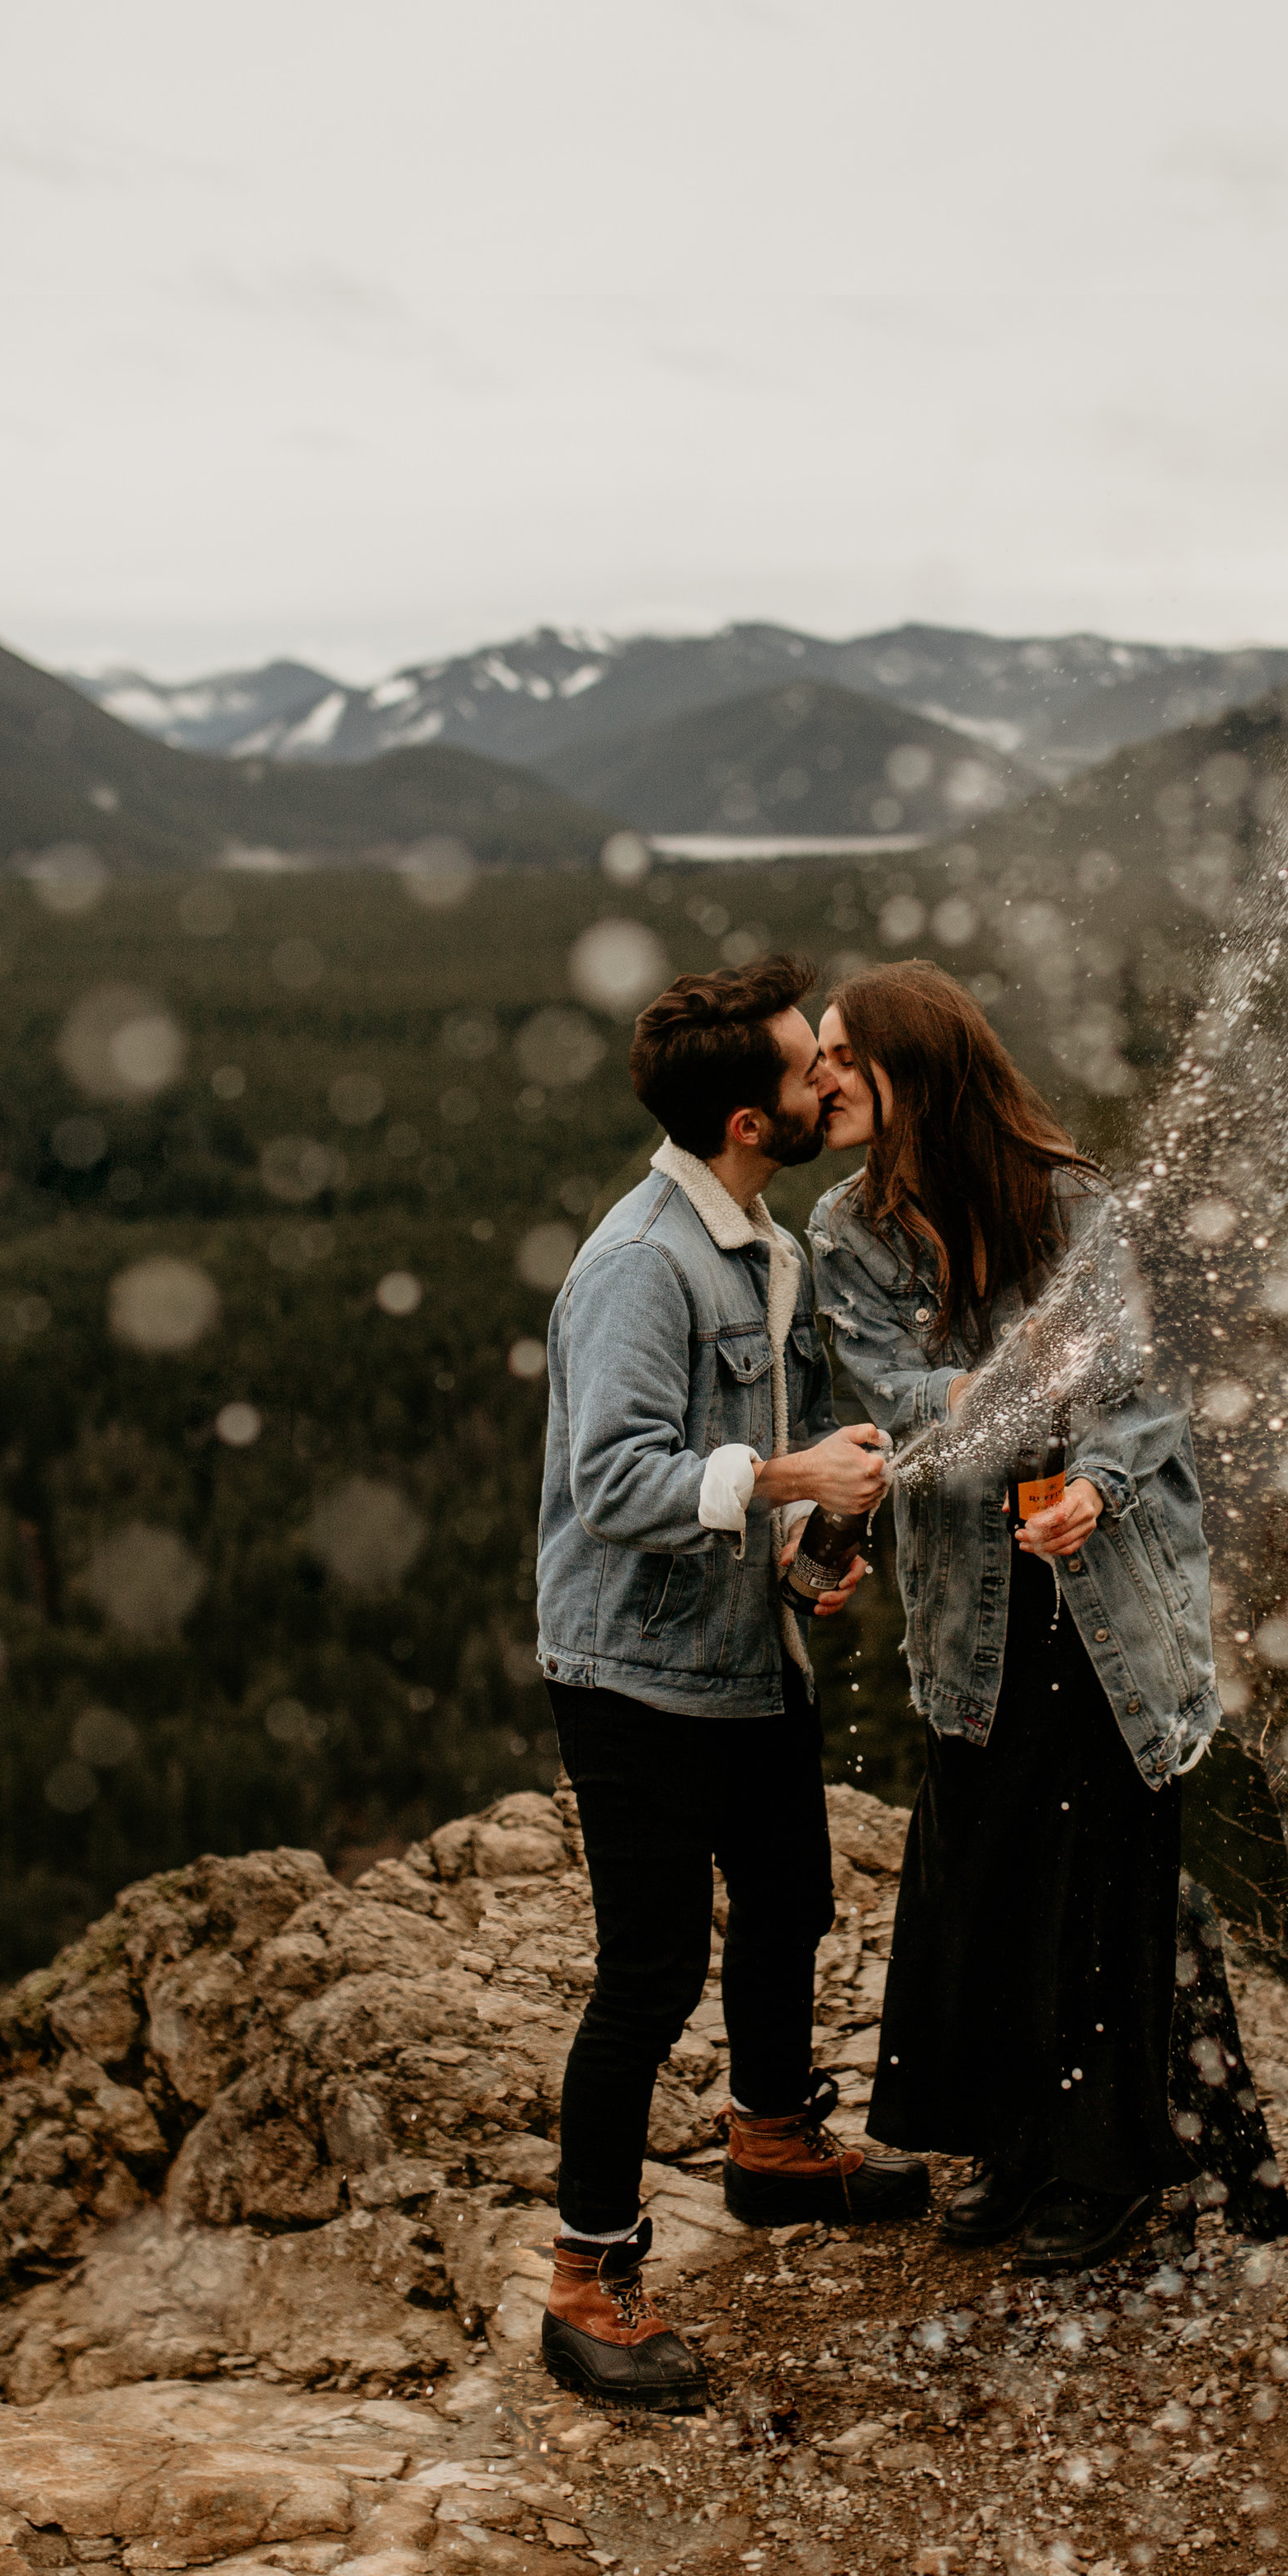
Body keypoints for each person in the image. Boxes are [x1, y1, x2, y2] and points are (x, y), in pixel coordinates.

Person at [807, 960, 1288, 2276]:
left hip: (1105, 1582)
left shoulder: (1072, 1203)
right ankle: (1009, 2141)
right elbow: (896, 1401)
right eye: (821, 1058)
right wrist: (1005, 1402)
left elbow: (1137, 1392)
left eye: (849, 1055)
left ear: (922, 1064)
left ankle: (1106, 2165)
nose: (823, 1079)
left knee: (1105, 1869)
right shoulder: (843, 1232)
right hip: (973, 1598)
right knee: (983, 1859)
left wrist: (1091, 1482)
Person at [534, 952, 930, 2410]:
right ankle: (586, 2278)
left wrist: (814, 1534)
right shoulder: (644, 1264)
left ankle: (769, 2142)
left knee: (791, 1897)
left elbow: (731, 1474)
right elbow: (614, 1480)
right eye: (804, 1066)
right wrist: (787, 1472)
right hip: (634, 1669)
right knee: (647, 1973)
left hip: (744, 1642)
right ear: (749, 1123)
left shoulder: (761, 1240)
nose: (832, 1077)